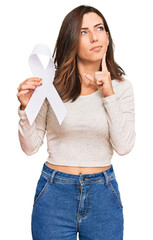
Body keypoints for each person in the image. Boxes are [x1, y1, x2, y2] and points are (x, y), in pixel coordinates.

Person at [17, 5, 136, 240]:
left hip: (103, 194)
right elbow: (30, 147)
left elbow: (124, 147)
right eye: (83, 32)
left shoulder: (121, 88)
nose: (94, 37)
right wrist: (25, 108)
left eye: (99, 28)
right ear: (71, 40)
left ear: (107, 36)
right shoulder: (51, 87)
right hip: (54, 194)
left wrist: (109, 94)